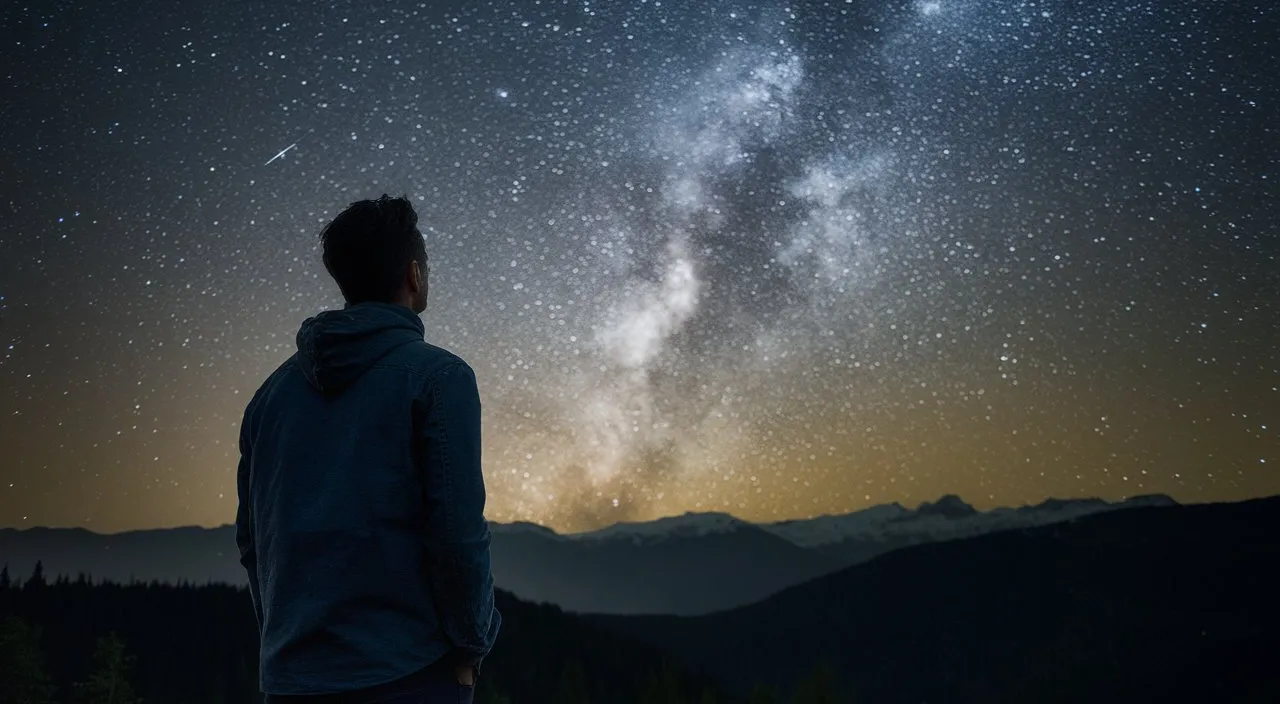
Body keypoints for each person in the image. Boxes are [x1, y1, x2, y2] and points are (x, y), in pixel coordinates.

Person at [235, 194, 501, 703]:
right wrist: (470, 645)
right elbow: (456, 533)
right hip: (407, 674)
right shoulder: (439, 377)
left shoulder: (269, 397)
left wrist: (285, 643)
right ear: (414, 275)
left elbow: (252, 541)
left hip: (293, 678)